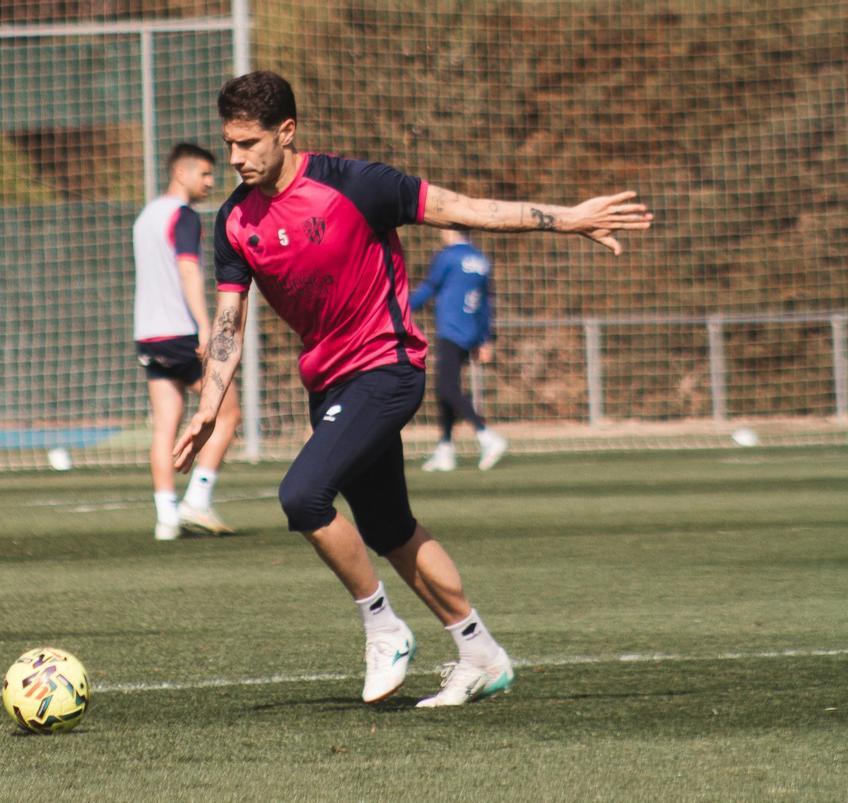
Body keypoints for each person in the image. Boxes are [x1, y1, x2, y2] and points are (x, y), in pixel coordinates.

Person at [174, 71, 651, 706]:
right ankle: (481, 653)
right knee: (389, 526)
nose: (235, 157)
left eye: (249, 143)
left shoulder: (357, 185)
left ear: (287, 133)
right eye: (229, 143)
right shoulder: (234, 221)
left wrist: (566, 220)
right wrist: (209, 404)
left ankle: (383, 627)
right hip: (330, 381)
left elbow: (467, 209)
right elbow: (229, 320)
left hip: (387, 366)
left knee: (303, 495)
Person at [134, 143, 241, 541]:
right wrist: (204, 324)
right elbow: (187, 271)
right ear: (182, 173)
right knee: (228, 413)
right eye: (206, 174)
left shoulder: (146, 216)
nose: (211, 182)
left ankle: (166, 519)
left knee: (165, 426)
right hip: (180, 332)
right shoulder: (183, 216)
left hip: (147, 334)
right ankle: (197, 499)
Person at [410, 228, 507, 471]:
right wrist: (485, 339)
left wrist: (399, 308)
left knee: (447, 388)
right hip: (471, 331)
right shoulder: (481, 259)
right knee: (446, 389)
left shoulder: (448, 256)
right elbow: (486, 303)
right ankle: (445, 448)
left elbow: (429, 288)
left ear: (451, 229)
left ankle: (487, 436)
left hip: (451, 330)